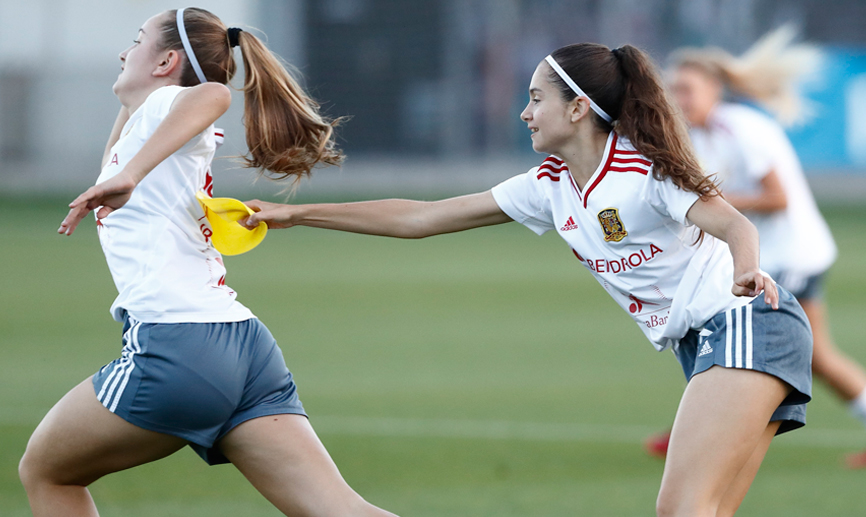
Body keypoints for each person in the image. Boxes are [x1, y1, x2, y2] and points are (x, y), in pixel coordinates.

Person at [242, 43, 813, 516]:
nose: (525, 112)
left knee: (680, 510)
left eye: (537, 98)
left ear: (578, 108)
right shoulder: (549, 185)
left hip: (745, 323)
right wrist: (296, 214)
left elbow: (734, 223)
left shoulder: (642, 168)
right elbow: (422, 217)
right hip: (710, 340)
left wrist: (746, 267)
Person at [19, 8, 398, 517]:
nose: (123, 52)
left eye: (137, 40)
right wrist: (127, 151)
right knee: (342, 511)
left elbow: (213, 94)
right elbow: (120, 155)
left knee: (46, 472)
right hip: (246, 348)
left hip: (178, 346)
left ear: (167, 62)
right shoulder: (148, 130)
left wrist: (130, 173)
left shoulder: (165, 108)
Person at [642, 27, 866, 469]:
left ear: (714, 89)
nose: (678, 99)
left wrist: (715, 204)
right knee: (814, 356)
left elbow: (778, 198)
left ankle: (702, 430)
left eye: (687, 89)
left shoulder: (741, 128)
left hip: (790, 254)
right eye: (672, 90)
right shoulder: (700, 135)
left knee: (731, 334)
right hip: (773, 255)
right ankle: (700, 427)